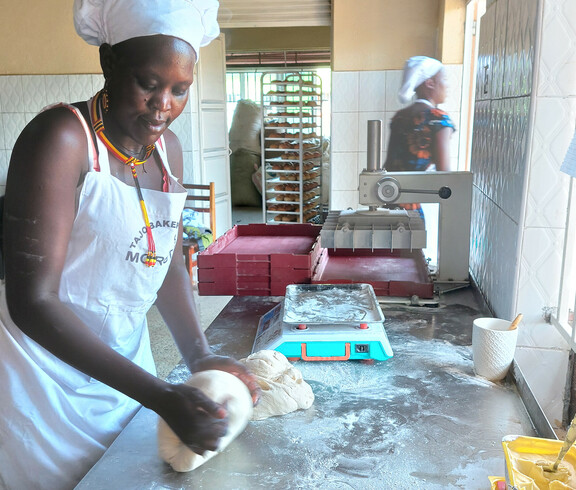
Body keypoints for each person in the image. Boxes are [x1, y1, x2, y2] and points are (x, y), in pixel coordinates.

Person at [0, 1, 259, 489]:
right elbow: (31, 302)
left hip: (124, 369)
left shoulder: (168, 150)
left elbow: (164, 262)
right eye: (148, 83)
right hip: (42, 382)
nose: (164, 105)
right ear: (108, 62)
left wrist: (199, 356)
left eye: (180, 90)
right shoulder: (60, 139)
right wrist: (160, 395)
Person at [384, 56, 455, 173]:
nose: (447, 85)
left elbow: (389, 165)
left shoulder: (399, 117)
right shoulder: (439, 119)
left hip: (397, 189)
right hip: (427, 190)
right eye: (444, 79)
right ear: (430, 83)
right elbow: (444, 173)